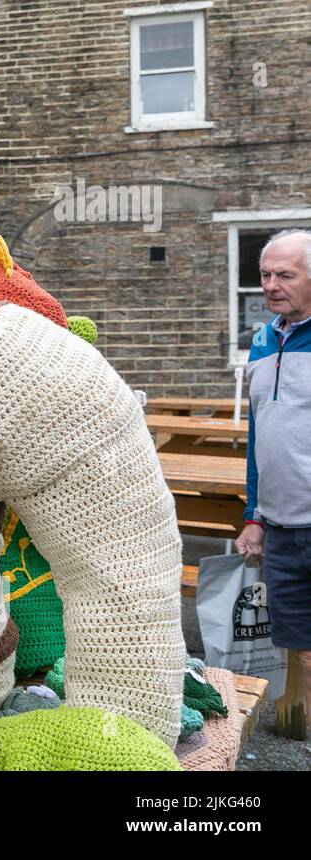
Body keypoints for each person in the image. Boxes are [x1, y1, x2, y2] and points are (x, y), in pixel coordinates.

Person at [235, 228, 311, 727]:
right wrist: (254, 515)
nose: (271, 284)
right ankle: (295, 724)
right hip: (280, 529)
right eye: (265, 274)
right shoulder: (262, 342)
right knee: (299, 651)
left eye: (285, 274)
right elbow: (261, 439)